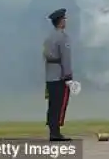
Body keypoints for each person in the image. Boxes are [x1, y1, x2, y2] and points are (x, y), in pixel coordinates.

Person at [43, 8, 72, 141]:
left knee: (52, 104)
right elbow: (65, 57)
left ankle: (53, 131)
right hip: (59, 74)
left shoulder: (49, 37)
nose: (65, 21)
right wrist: (68, 75)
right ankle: (56, 133)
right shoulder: (62, 37)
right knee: (59, 104)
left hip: (50, 74)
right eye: (64, 19)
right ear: (60, 21)